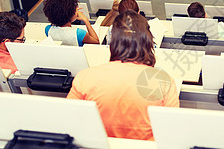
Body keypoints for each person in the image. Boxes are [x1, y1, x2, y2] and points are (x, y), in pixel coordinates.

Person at [67, 11, 179, 140]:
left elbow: (71, 122)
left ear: (113, 41)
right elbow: (170, 130)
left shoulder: (84, 77)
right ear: (148, 41)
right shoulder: (164, 82)